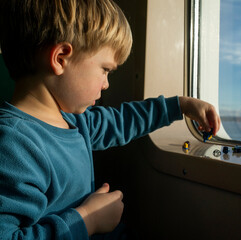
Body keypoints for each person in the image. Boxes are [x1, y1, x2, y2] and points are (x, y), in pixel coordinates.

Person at [0, 0, 221, 239]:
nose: (106, 84)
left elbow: (123, 120)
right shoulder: (14, 145)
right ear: (61, 58)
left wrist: (179, 106)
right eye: (105, 70)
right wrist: (86, 220)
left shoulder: (75, 122)